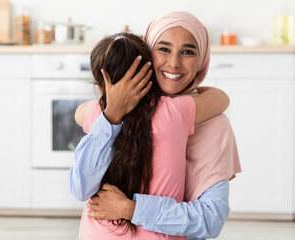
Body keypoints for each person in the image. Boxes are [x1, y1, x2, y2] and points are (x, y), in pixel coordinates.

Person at [69, 32, 230, 239]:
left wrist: (113, 111)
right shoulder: (176, 110)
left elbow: (77, 115)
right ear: (150, 74)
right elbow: (221, 98)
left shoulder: (93, 112)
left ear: (100, 87)